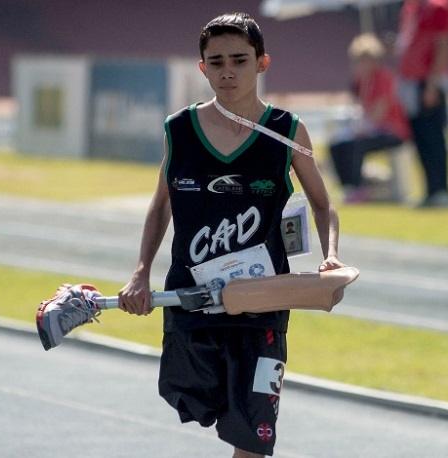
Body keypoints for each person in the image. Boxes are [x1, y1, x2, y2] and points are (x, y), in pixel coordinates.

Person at [118, 12, 345, 458]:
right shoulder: (179, 129)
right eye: (216, 61)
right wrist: (141, 273)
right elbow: (161, 203)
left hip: (262, 302)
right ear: (202, 67)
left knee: (252, 432)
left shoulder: (287, 131)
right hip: (191, 298)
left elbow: (323, 204)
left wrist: (331, 255)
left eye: (240, 60)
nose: (227, 71)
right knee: (193, 397)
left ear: (262, 63)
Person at [329, 33, 411, 204]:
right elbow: (357, 107)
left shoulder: (384, 79)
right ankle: (349, 186)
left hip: (392, 131)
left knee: (356, 145)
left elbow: (380, 111)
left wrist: (363, 130)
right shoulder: (362, 81)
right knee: (337, 145)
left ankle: (360, 188)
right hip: (373, 129)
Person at [395, 0, 448, 208]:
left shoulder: (439, 7)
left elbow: (443, 46)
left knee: (434, 138)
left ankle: (442, 190)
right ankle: (430, 190)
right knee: (420, 138)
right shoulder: (410, 8)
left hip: (428, 81)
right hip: (411, 82)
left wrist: (433, 84)